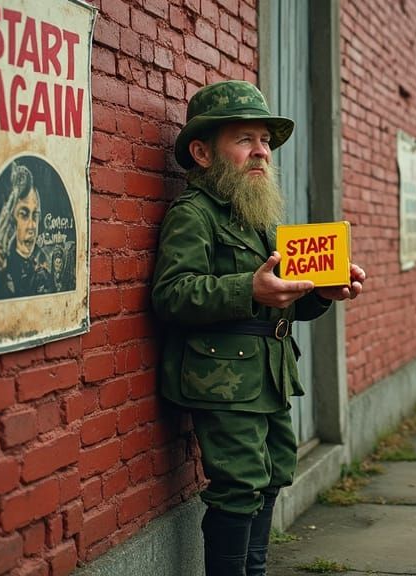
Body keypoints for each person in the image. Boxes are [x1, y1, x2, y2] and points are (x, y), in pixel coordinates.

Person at [151, 80, 365, 576]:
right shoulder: (193, 214)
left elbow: (282, 303)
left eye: (265, 141)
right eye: (245, 140)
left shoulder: (260, 220)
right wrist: (248, 288)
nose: (261, 152)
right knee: (240, 484)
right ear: (203, 153)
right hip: (221, 380)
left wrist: (321, 295)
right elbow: (171, 294)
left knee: (270, 476)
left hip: (268, 374)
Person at [0, 164, 51, 301]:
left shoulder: (42, 261)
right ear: (10, 221)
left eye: (35, 215)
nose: (32, 226)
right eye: (24, 214)